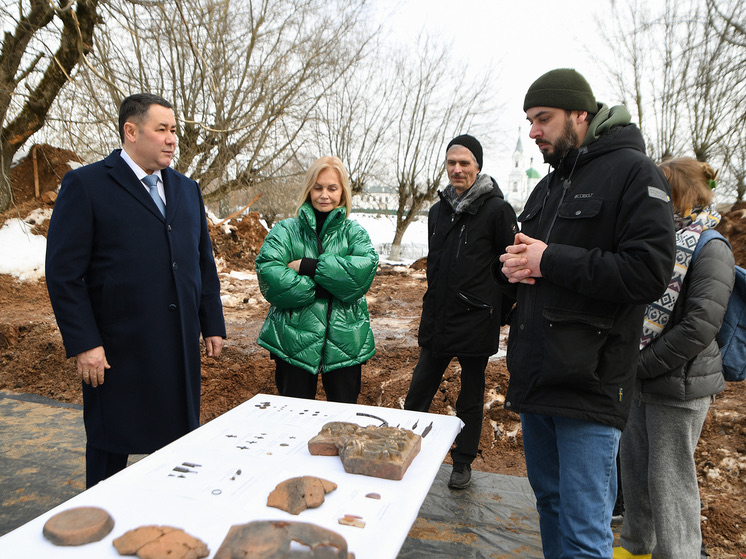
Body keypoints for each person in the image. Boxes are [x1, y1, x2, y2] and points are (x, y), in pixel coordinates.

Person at [499, 69, 676, 557]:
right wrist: (515, 268)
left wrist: (548, 258)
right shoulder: (549, 186)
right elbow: (540, 266)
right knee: (551, 507)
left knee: (583, 529)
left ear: (581, 114)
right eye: (529, 121)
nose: (533, 131)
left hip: (590, 385)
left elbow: (648, 272)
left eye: (543, 119)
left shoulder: (634, 173)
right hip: (538, 380)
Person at [46, 93, 226, 488]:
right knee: (112, 447)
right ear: (131, 131)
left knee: (176, 450)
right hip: (116, 351)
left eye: (174, 130)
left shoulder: (186, 189)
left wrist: (211, 321)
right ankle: (100, 528)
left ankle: (167, 524)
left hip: (177, 346)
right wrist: (84, 343)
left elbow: (201, 262)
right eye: (161, 129)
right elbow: (63, 274)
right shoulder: (87, 184)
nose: (171, 139)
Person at [615, 158, 735, 559]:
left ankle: (678, 553)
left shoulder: (710, 246)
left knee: (669, 484)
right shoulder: (661, 242)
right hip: (642, 381)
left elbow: (700, 326)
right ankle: (635, 549)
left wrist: (640, 365)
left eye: (660, 190)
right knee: (634, 476)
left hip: (680, 387)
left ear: (680, 194)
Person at [404, 134, 518, 490]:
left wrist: (496, 308)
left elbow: (510, 267)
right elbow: (434, 265)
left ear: (478, 166)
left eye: (464, 163)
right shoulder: (438, 211)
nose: (457, 169)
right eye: (451, 163)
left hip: (475, 319)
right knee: (419, 389)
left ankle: (463, 461)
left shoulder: (498, 210)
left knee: (470, 394)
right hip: (438, 317)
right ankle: (401, 447)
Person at [255, 156, 377, 403]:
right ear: (309, 189)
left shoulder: (354, 232)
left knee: (343, 422)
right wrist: (329, 286)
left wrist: (307, 265)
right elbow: (269, 273)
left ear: (342, 192)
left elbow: (362, 275)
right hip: (293, 340)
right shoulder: (285, 230)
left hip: (345, 341)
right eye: (318, 187)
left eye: (332, 188)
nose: (324, 195)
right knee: (293, 417)